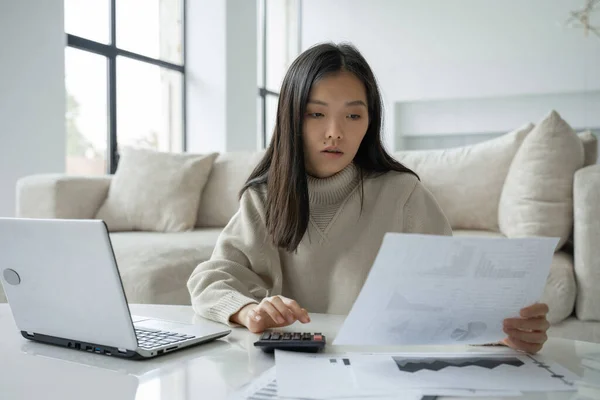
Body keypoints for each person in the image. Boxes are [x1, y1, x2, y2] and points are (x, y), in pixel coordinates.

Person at [187, 42, 550, 354]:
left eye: (353, 115)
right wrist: (249, 310)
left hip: (378, 368)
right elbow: (212, 278)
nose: (335, 133)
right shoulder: (263, 198)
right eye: (316, 114)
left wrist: (502, 333)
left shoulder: (403, 195)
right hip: (287, 365)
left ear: (369, 122)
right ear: (290, 120)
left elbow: (449, 303)